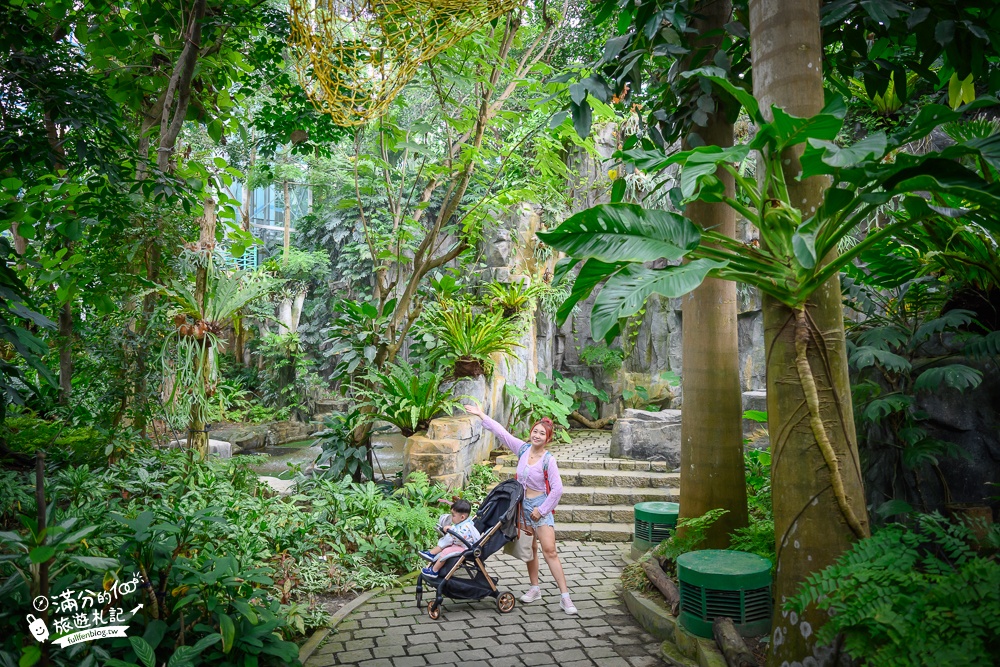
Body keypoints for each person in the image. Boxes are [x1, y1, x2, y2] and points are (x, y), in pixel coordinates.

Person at [463, 402, 578, 614]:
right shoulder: (523, 449)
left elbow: (558, 490)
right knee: (530, 548)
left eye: (542, 434)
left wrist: (542, 510)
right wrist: (481, 415)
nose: (536, 435)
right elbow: (502, 433)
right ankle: (535, 588)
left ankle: (565, 597)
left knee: (549, 550)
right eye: (535, 431)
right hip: (521, 506)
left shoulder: (548, 460)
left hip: (539, 506)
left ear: (548, 439)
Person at [420, 499, 481, 578]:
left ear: (462, 517)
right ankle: (431, 554)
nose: (451, 517)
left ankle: (434, 571)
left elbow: (460, 537)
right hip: (460, 545)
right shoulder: (461, 523)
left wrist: (451, 529)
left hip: (465, 548)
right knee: (445, 543)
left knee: (446, 551)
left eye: (453, 515)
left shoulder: (466, 527)